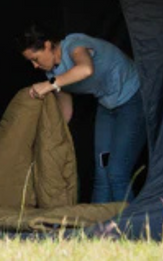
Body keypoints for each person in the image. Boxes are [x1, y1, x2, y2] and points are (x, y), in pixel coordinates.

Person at [18, 24, 147, 204]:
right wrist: (53, 138)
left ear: (47, 46)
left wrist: (48, 86)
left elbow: (86, 69)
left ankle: (129, 229)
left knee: (117, 172)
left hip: (132, 99)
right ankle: (97, 230)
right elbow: (66, 109)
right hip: (107, 104)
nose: (34, 66)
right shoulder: (51, 74)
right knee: (101, 174)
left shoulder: (75, 44)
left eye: (36, 58)